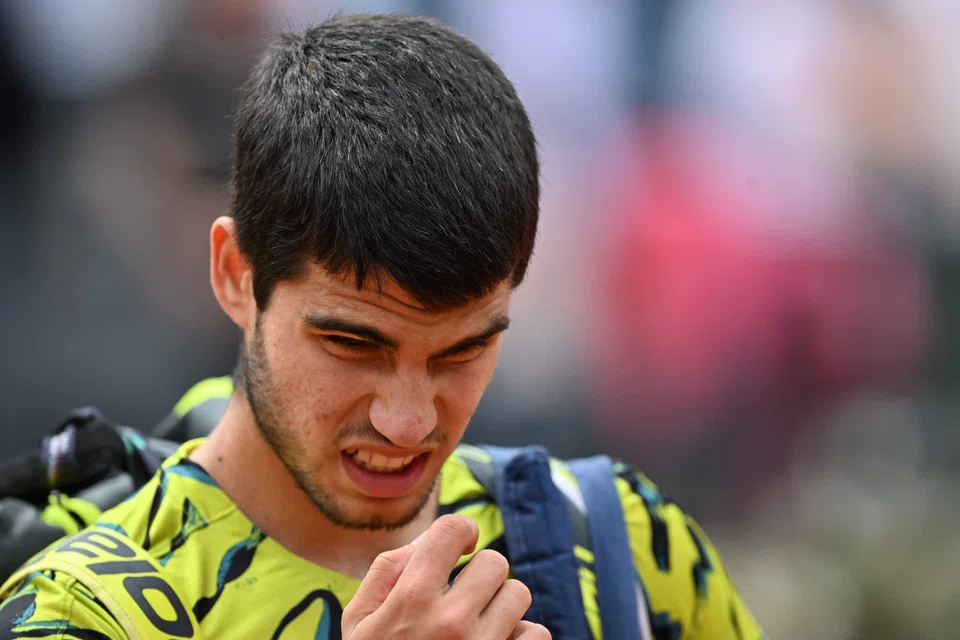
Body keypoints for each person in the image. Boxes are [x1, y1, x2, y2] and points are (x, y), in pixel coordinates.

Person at [0, 13, 764, 640]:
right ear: (237, 274)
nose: (408, 423)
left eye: (465, 349)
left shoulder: (620, 545)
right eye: (353, 344)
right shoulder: (82, 613)